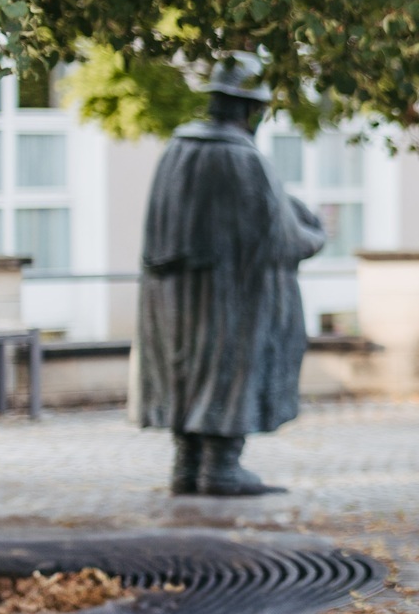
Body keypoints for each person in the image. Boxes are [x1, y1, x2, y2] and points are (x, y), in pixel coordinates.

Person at [139, 53, 326, 496]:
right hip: (229, 301)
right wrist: (316, 233)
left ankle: (187, 465)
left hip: (174, 301)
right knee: (230, 368)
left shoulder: (175, 151)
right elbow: (281, 240)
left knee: (187, 373)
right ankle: (220, 466)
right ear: (251, 110)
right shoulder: (245, 160)